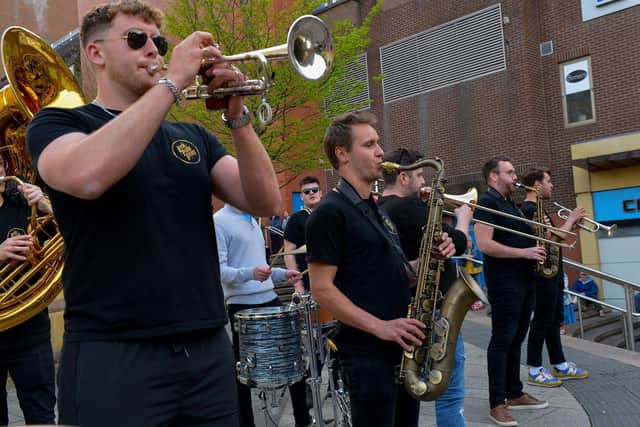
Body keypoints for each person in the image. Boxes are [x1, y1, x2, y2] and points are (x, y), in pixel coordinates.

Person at [25, 1, 281, 425]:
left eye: (158, 42)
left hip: (206, 350)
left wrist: (238, 115)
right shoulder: (59, 125)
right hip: (115, 351)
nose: (153, 50)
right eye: (136, 39)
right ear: (96, 53)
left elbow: (265, 200)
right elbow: (88, 177)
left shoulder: (192, 136)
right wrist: (174, 79)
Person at [305, 111, 456, 427]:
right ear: (342, 153)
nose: (380, 152)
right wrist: (381, 327)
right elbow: (321, 289)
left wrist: (428, 260)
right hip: (368, 355)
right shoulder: (329, 213)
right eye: (369, 144)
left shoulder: (374, 209)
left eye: (378, 143)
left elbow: (391, 272)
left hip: (399, 349)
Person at [378, 147, 472, 427]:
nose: (423, 183)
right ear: (403, 177)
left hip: (411, 310)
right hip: (436, 313)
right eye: (419, 175)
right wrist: (464, 220)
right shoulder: (409, 207)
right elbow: (458, 242)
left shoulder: (379, 210)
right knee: (451, 394)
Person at [214, 204, 311, 427]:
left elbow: (261, 268)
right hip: (242, 307)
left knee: (294, 360)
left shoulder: (253, 220)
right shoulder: (219, 221)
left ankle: (303, 421)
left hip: (270, 299)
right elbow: (219, 271)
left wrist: (282, 273)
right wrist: (250, 273)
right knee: (243, 373)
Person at [473, 157, 548, 427]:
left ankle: (514, 393)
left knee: (517, 338)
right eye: (510, 172)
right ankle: (497, 403)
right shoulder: (487, 202)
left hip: (524, 279)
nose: (515, 176)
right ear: (494, 176)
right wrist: (524, 252)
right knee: (502, 340)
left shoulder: (510, 204)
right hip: (505, 282)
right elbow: (484, 244)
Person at [520, 168, 589, 388]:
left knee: (553, 320)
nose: (552, 186)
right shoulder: (528, 209)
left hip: (553, 273)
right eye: (549, 181)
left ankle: (559, 364)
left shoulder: (541, 209)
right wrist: (571, 219)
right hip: (542, 275)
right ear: (537, 185)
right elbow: (550, 235)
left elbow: (555, 237)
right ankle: (534, 368)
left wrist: (571, 225)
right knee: (541, 320)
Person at [0, 157, 55, 426]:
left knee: (41, 414)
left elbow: (78, 234)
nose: (0, 171)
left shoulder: (25, 204)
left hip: (30, 329)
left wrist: (48, 207)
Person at [283, 176, 323, 293]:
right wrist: (298, 285)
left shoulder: (330, 215)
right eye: (306, 191)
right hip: (309, 282)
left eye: (314, 190)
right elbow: (288, 253)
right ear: (301, 196)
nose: (311, 193)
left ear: (320, 193)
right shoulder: (296, 219)